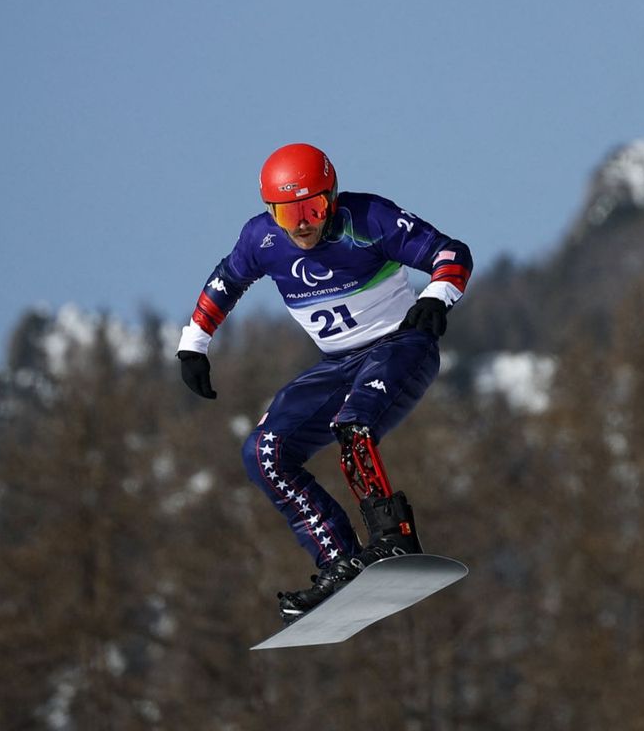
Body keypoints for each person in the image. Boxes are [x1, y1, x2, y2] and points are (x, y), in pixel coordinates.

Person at [175, 143, 472, 623]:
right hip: (337, 364)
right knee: (262, 452)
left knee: (352, 427)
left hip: (400, 347)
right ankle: (339, 559)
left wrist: (438, 295)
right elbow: (225, 281)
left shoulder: (369, 217)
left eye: (313, 208)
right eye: (287, 214)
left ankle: (392, 539)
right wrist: (194, 343)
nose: (303, 224)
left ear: (332, 198)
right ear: (269, 213)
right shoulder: (261, 240)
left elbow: (450, 252)